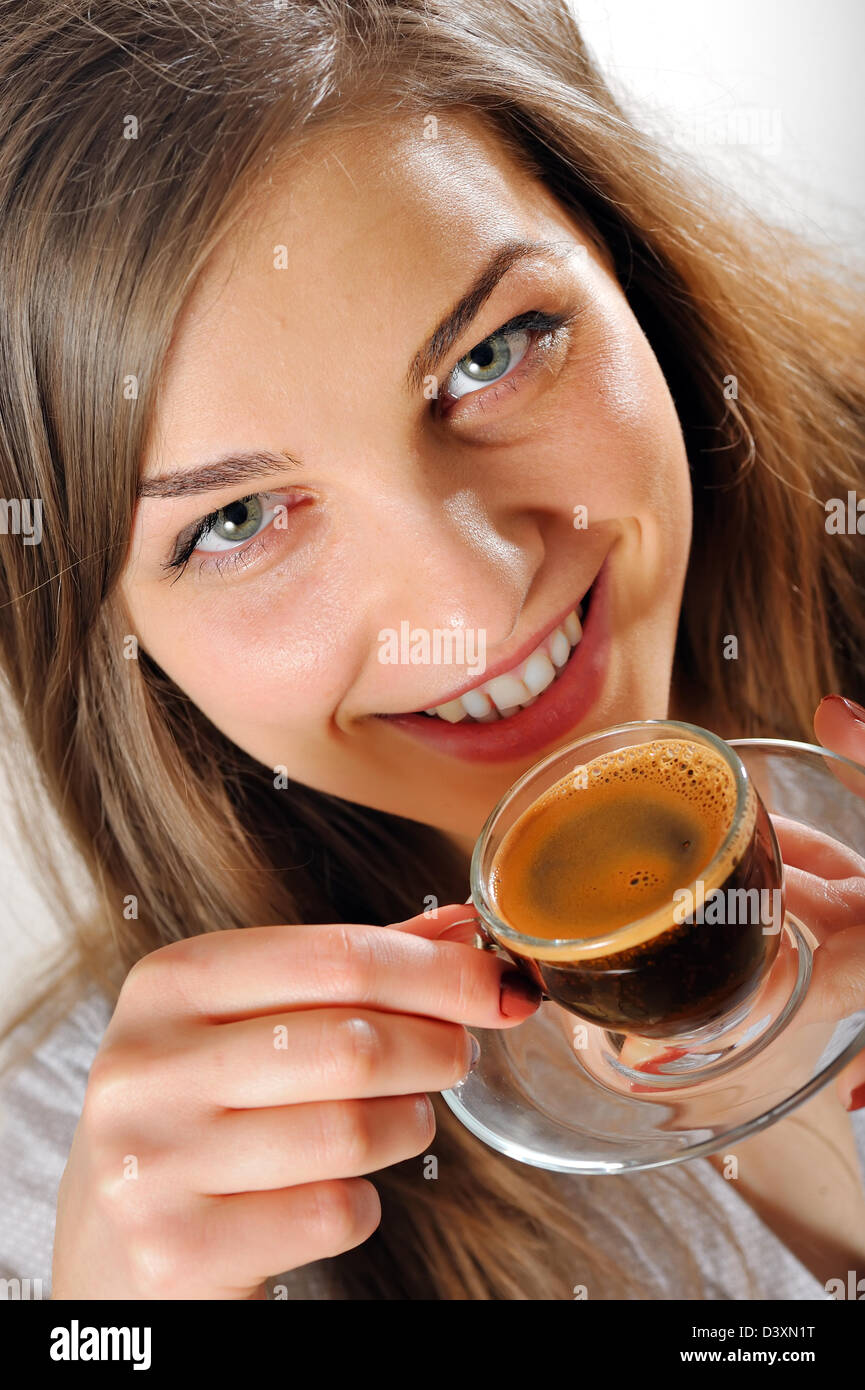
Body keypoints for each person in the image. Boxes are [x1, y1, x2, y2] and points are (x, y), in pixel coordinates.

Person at [0, 0, 864, 1302]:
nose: (470, 596)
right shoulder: (76, 1190)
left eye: (491, 354)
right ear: (112, 632)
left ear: (632, 267)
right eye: (236, 519)